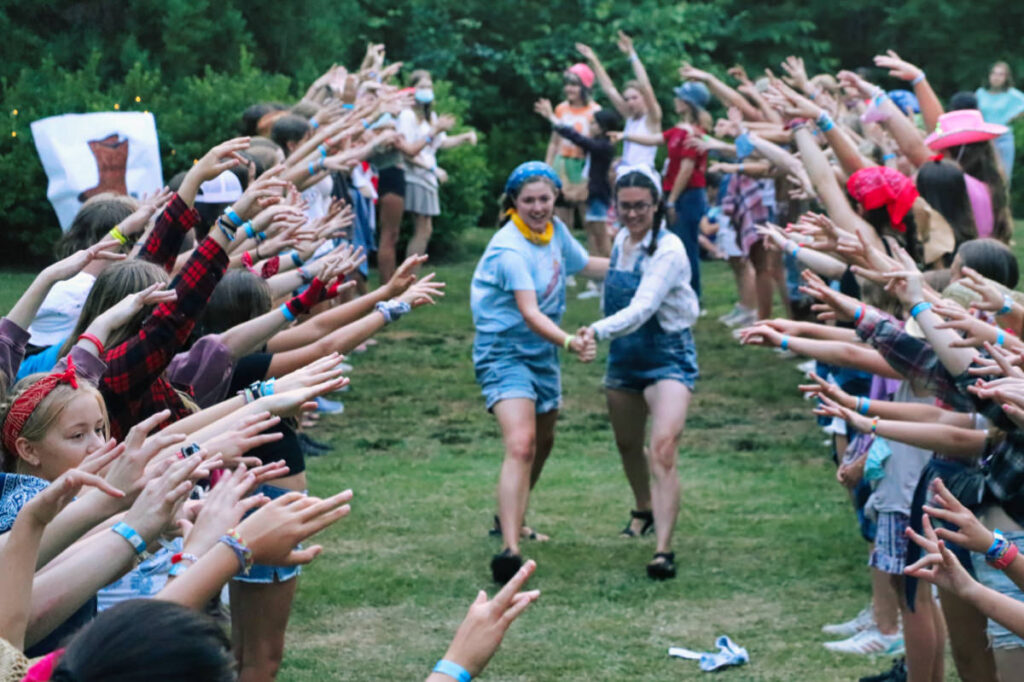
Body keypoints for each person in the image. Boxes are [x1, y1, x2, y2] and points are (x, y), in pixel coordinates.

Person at [470, 162, 606, 583]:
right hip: (504, 351)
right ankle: (510, 548)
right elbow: (529, 313)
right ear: (513, 202)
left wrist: (643, 265)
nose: (537, 207)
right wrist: (569, 341)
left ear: (555, 199)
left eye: (544, 198)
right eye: (528, 200)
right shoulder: (509, 248)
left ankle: (515, 516)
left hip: (541, 355)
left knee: (543, 441)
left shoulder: (556, 234)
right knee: (522, 444)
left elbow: (587, 266)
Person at [576, 166, 699, 579]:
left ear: (656, 205)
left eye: (640, 207)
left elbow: (643, 306)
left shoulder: (669, 249)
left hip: (668, 355)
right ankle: (642, 508)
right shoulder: (621, 243)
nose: (632, 214)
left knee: (662, 448)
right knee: (628, 445)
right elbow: (609, 280)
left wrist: (595, 330)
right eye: (625, 207)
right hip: (625, 356)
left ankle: (663, 550)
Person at [397, 70, 476, 269]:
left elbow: (439, 143)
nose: (427, 91)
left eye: (429, 87)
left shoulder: (429, 115)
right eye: (422, 87)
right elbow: (408, 152)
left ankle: (411, 277)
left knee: (426, 230)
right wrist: (433, 169)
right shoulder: (407, 116)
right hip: (417, 177)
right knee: (422, 229)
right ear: (413, 90)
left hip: (427, 177)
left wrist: (464, 137)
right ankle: (408, 279)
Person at [575, 32, 662, 169]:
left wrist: (631, 54)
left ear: (644, 98)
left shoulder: (652, 117)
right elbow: (609, 89)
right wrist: (594, 60)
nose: (630, 102)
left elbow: (645, 85)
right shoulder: (630, 117)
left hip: (644, 173)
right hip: (626, 171)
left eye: (634, 98)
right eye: (627, 99)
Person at [544, 63, 601, 233]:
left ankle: (593, 256)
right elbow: (554, 141)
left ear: (584, 87)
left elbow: (596, 145)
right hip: (561, 163)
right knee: (560, 219)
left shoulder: (595, 111)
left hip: (583, 167)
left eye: (575, 84)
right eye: (568, 84)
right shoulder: (561, 109)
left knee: (588, 218)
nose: (570, 88)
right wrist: (547, 166)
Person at [975, 61, 1024, 184]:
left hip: (1003, 139)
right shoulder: (980, 93)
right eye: (994, 74)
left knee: (1003, 178)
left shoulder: (1012, 95)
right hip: (983, 139)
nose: (996, 77)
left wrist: (1013, 117)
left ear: (1006, 78)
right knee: (983, 177)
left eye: (1001, 74)